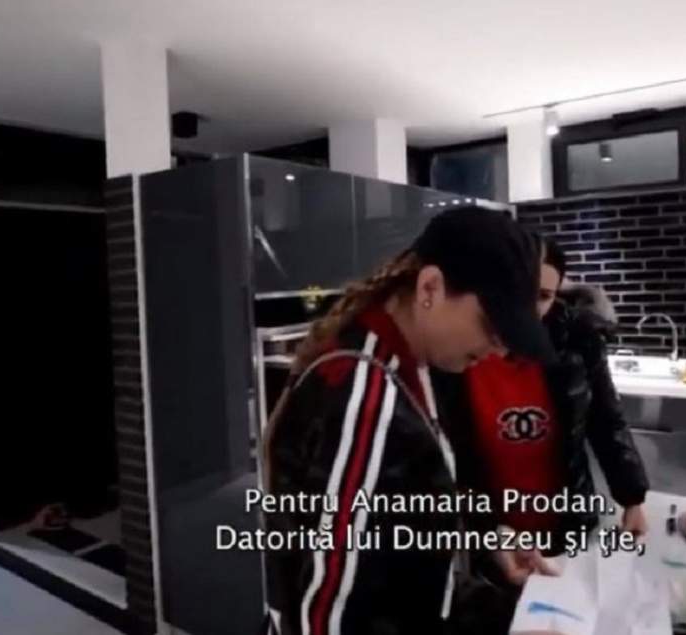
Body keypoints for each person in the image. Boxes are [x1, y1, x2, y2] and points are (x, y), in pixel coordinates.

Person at [262, 207, 557, 635]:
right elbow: (330, 615)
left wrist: (486, 538)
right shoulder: (366, 398)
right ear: (430, 287)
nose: (499, 348)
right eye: (491, 325)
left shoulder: (408, 363)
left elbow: (399, 518)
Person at [435, 235, 650, 557]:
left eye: (544, 296)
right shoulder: (456, 349)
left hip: (565, 523)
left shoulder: (577, 340)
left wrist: (632, 498)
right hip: (488, 533)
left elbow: (607, 419)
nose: (528, 307)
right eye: (518, 288)